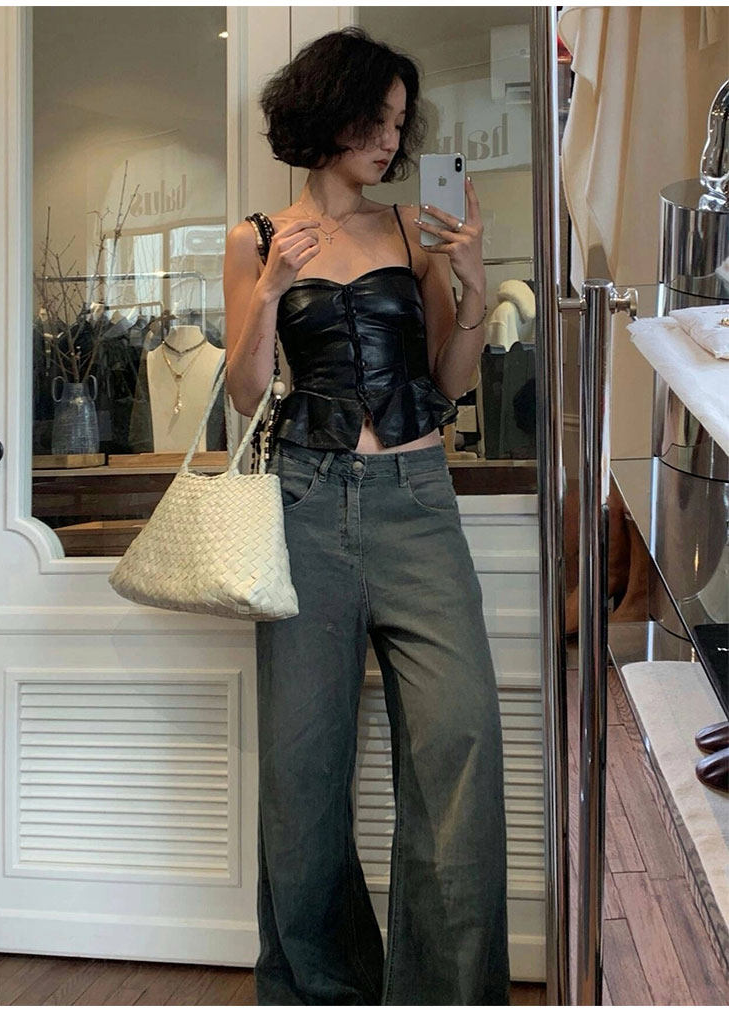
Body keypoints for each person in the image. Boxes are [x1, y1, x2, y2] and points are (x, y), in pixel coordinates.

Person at [222, 26, 509, 1007]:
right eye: (376, 120)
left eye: (399, 123)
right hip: (305, 503)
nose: (391, 139)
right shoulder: (256, 238)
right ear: (328, 111)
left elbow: (449, 381)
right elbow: (246, 394)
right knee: (302, 772)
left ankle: (446, 995)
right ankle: (321, 991)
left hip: (417, 503)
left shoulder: (409, 231)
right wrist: (271, 288)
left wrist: (473, 286)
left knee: (460, 745)